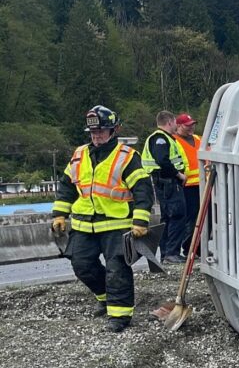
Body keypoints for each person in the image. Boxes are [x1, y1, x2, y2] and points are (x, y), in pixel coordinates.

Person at [51, 106, 154, 332]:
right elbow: (67, 186)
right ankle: (105, 297)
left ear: (114, 130)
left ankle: (120, 316)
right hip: (83, 224)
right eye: (93, 132)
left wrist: (140, 221)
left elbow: (143, 190)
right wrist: (59, 214)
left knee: (117, 268)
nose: (97, 135)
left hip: (116, 225)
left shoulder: (127, 157)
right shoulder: (79, 154)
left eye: (101, 131)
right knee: (82, 265)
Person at [142, 111, 187, 264]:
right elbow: (163, 160)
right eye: (175, 122)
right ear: (169, 122)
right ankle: (171, 253)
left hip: (164, 182)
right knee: (177, 215)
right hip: (167, 181)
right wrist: (178, 175)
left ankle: (167, 253)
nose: (176, 125)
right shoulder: (160, 139)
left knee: (168, 218)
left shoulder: (163, 138)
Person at [174, 112, 202, 257]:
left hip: (203, 184)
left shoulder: (198, 138)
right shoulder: (174, 141)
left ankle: (198, 248)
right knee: (191, 219)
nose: (192, 128)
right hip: (187, 186)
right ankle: (188, 248)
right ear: (178, 126)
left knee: (204, 218)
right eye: (188, 125)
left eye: (193, 125)